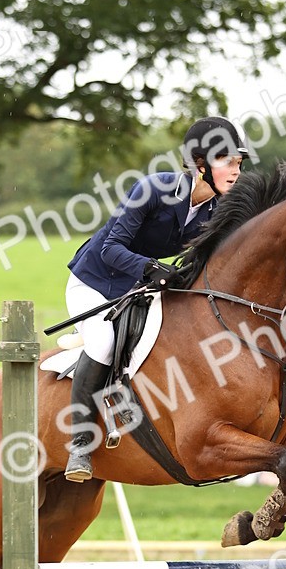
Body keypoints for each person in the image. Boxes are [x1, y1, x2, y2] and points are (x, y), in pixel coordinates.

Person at [63, 116, 248, 481]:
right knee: (103, 342)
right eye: (227, 161)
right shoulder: (152, 189)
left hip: (141, 290)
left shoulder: (218, 214)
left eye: (238, 163)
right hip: (95, 282)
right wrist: (150, 268)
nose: (236, 171)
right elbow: (112, 248)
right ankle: (80, 445)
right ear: (200, 164)